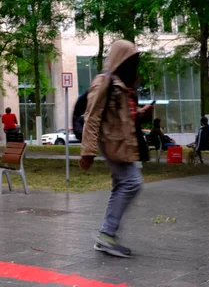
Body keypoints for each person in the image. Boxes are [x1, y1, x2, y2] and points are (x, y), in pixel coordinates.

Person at [79, 40, 153, 258]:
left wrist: (140, 113)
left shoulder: (122, 84)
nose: (134, 64)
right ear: (121, 59)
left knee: (123, 184)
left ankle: (107, 234)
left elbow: (122, 116)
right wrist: (88, 151)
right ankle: (106, 234)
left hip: (123, 144)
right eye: (131, 59)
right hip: (113, 144)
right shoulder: (104, 81)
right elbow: (91, 116)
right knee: (132, 183)